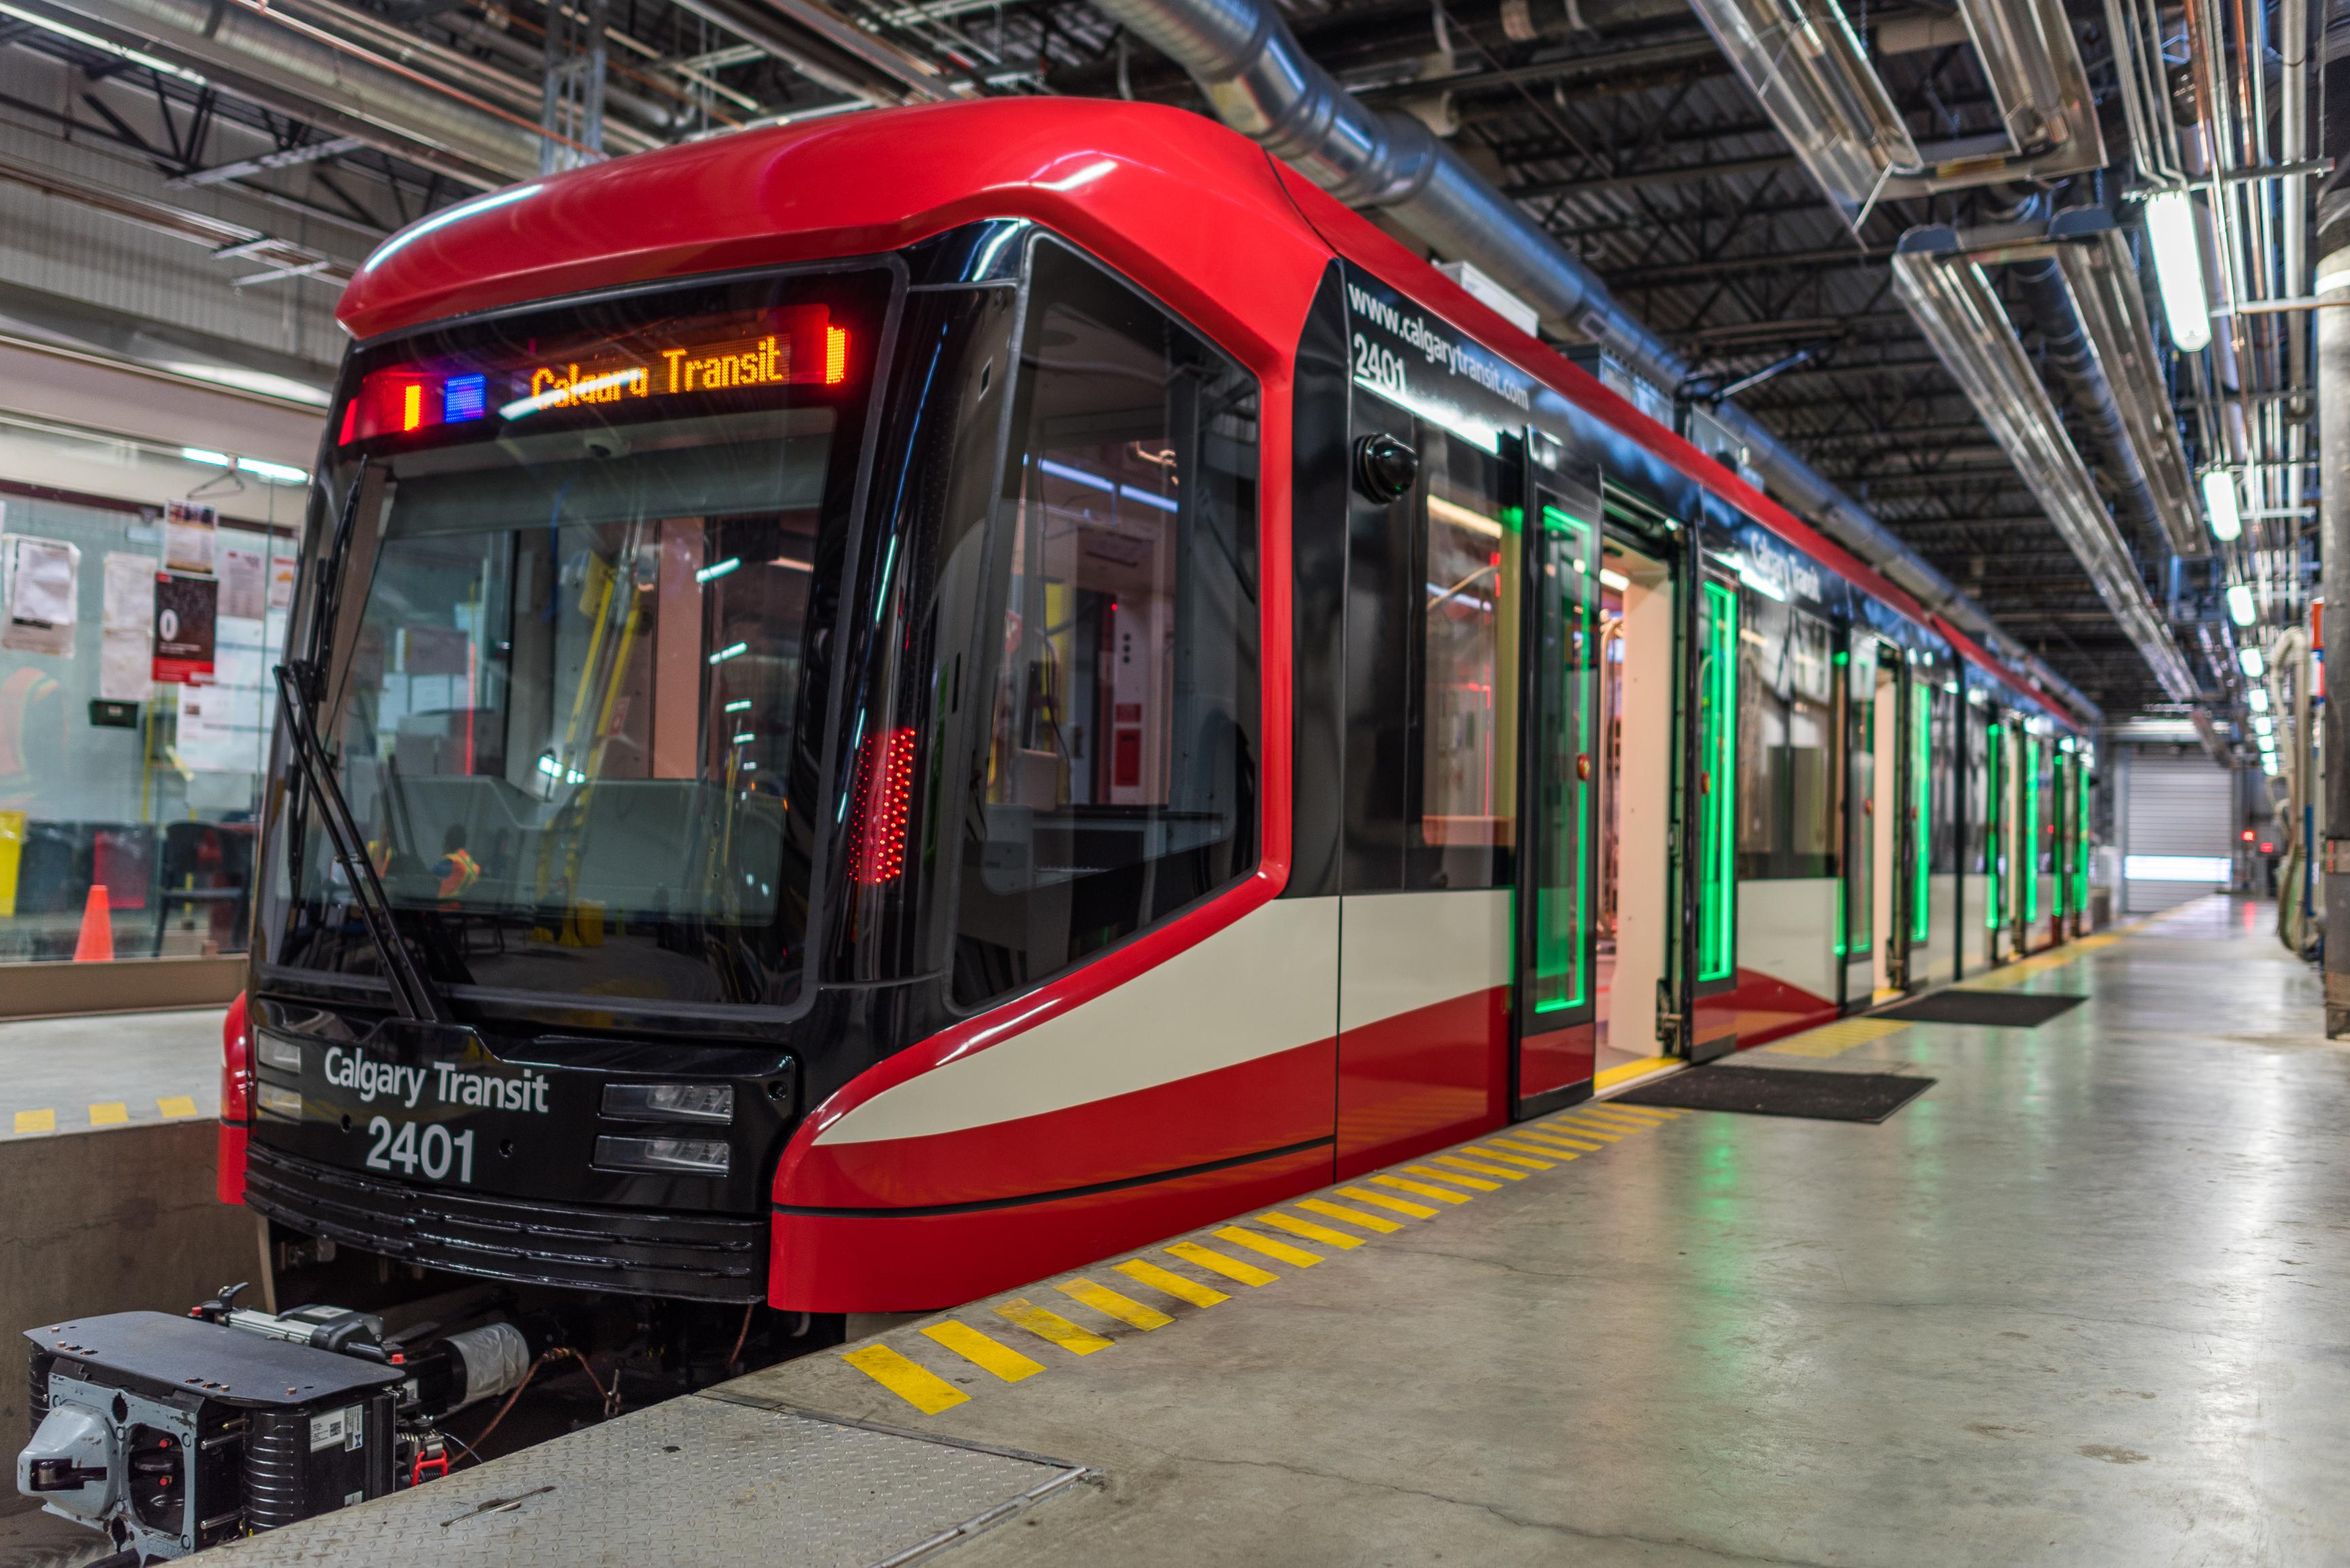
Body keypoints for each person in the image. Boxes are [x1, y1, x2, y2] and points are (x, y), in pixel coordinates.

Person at [431, 824, 480, 910]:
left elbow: (427, 876)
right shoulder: (472, 864)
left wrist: (445, 853)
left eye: (444, 842)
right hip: (461, 911)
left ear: (448, 843)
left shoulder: (450, 862)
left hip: (444, 910)